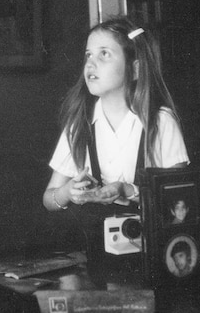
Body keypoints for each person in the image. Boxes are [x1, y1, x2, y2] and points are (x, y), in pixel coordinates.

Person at [42, 17, 189, 272]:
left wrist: (128, 190)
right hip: (92, 259)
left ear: (135, 69)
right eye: (88, 54)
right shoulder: (79, 125)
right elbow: (49, 198)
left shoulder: (159, 122)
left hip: (150, 257)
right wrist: (69, 193)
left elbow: (181, 205)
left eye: (104, 54)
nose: (91, 63)